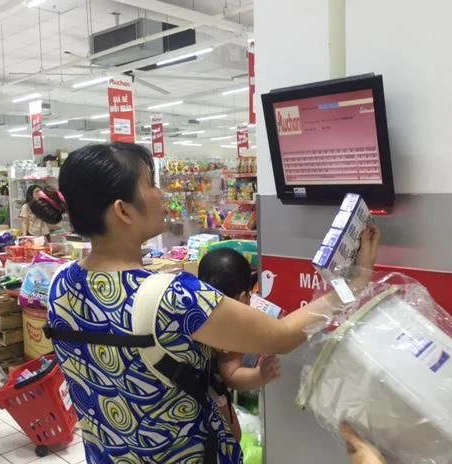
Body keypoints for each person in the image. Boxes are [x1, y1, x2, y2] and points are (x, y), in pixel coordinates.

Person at [46, 143, 380, 464]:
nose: (161, 194)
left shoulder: (60, 284)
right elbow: (282, 337)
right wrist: (354, 284)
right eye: (150, 184)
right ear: (123, 211)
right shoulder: (175, 296)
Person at [198, 248, 282, 441]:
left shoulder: (197, 310)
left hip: (177, 393)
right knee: (233, 435)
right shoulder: (230, 328)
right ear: (243, 298)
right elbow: (232, 376)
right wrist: (260, 375)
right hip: (209, 395)